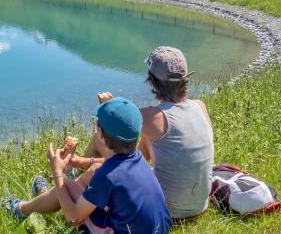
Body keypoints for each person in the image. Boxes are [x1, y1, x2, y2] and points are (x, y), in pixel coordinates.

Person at [73, 46, 214, 220]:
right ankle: (79, 170)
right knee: (145, 144)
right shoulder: (200, 106)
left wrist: (108, 105)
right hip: (200, 205)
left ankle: (73, 178)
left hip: (162, 209)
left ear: (153, 82)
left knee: (100, 138)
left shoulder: (151, 117)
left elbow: (122, 125)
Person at [0, 97, 172, 233]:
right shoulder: (138, 158)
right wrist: (77, 161)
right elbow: (109, 164)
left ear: (100, 133)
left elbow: (73, 217)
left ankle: (19, 208)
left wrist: (57, 172)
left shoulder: (107, 177)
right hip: (156, 229)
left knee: (65, 186)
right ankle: (40, 200)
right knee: (75, 182)